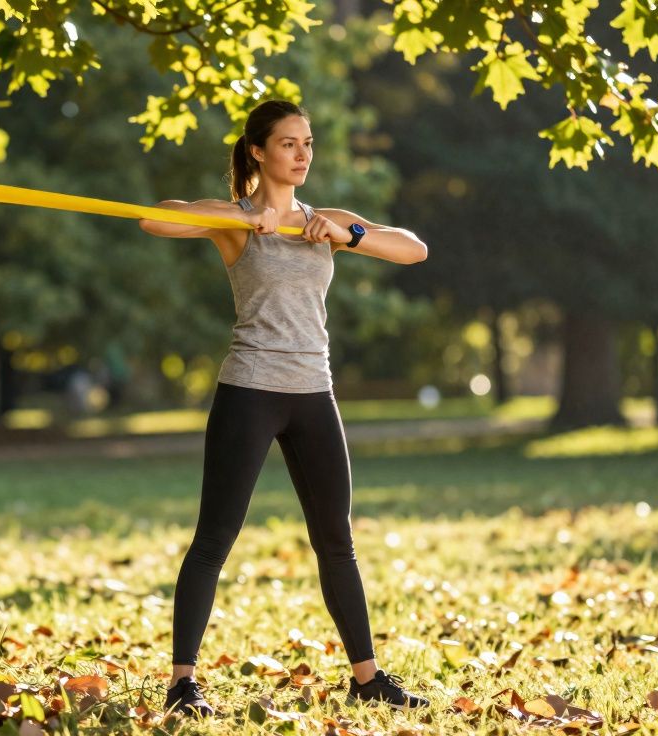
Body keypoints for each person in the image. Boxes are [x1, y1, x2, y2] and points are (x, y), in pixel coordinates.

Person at [137, 99, 431, 717]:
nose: (302, 155)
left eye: (308, 143)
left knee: (337, 541)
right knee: (214, 538)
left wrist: (349, 233)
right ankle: (183, 684)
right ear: (258, 151)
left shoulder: (324, 220)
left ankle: (368, 678)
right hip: (250, 390)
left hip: (314, 394)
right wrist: (245, 224)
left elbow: (413, 251)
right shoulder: (235, 218)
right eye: (289, 144)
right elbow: (155, 221)